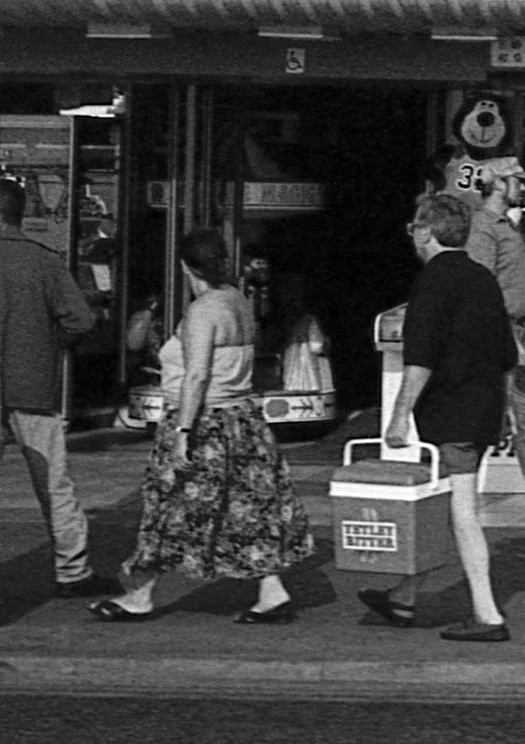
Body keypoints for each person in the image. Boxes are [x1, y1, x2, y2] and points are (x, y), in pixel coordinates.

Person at [91, 229, 316, 623]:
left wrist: (182, 432)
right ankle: (271, 589)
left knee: (168, 506)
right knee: (248, 506)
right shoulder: (239, 303)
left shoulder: (202, 311)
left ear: (183, 266)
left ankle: (141, 594)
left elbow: (196, 376)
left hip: (203, 423)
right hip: (243, 420)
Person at [370, 192, 518, 642]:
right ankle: (404, 595)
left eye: (415, 227)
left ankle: (487, 615)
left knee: (463, 513)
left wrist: (399, 417)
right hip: (484, 406)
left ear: (428, 233)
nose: (412, 235)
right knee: (446, 507)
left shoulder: (433, 282)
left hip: (451, 412)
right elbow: (507, 354)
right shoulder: (482, 278)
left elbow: (421, 357)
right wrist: (506, 411)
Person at [0, 177, 114, 599]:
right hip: (32, 385)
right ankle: (73, 570)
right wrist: (47, 342)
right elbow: (82, 321)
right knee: (53, 482)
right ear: (22, 214)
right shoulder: (43, 261)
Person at [445, 153, 525, 522]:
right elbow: (481, 288)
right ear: (498, 183)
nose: (523, 187)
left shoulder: (505, 225)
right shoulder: (484, 227)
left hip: (512, 331)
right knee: (511, 417)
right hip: (498, 335)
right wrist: (507, 338)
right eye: (517, 181)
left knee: (522, 416)